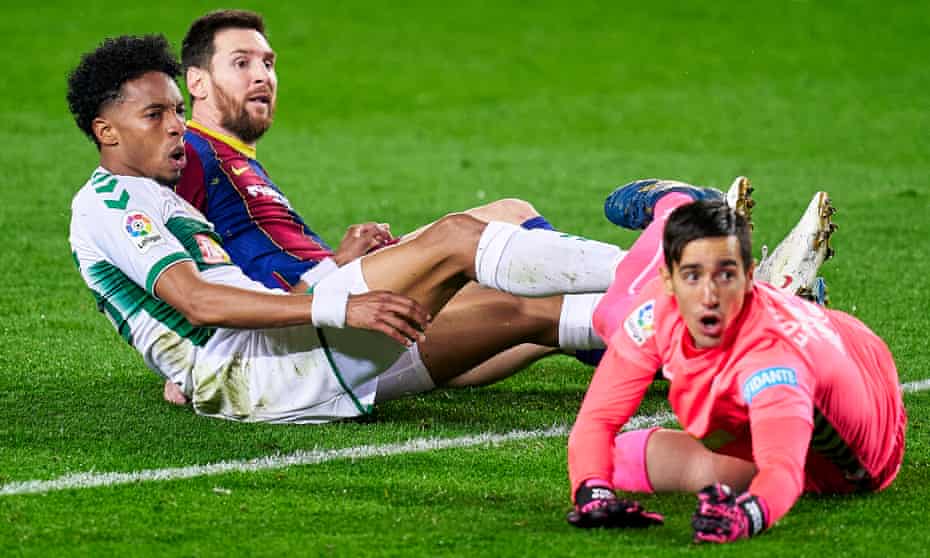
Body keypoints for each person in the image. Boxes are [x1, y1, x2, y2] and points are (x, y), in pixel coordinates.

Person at [162, 9, 784, 406]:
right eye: (240, 64)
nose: (263, 76)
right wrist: (188, 362)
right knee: (495, 261)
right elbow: (176, 267)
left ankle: (701, 337)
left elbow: (245, 255)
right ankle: (683, 265)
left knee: (525, 272)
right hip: (318, 337)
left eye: (268, 63)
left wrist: (336, 259)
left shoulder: (235, 156)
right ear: (195, 82)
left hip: (333, 307)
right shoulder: (188, 150)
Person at [67, 34, 695, 424]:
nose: (177, 125)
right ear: (107, 131)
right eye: (156, 114)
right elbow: (199, 304)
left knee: (522, 314)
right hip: (259, 368)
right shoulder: (112, 203)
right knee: (454, 238)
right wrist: (339, 303)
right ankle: (680, 255)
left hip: (274, 372)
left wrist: (334, 283)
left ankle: (697, 340)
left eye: (177, 110)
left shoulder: (157, 195)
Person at [564, 198, 906, 543]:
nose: (709, 295)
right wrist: (593, 492)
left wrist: (749, 514)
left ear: (749, 277)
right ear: (668, 280)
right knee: (621, 457)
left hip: (859, 454)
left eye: (725, 275)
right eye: (692, 276)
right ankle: (798, 304)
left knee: (712, 436)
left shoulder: (773, 360)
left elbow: (783, 470)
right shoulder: (652, 311)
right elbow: (597, 420)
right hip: (825, 346)